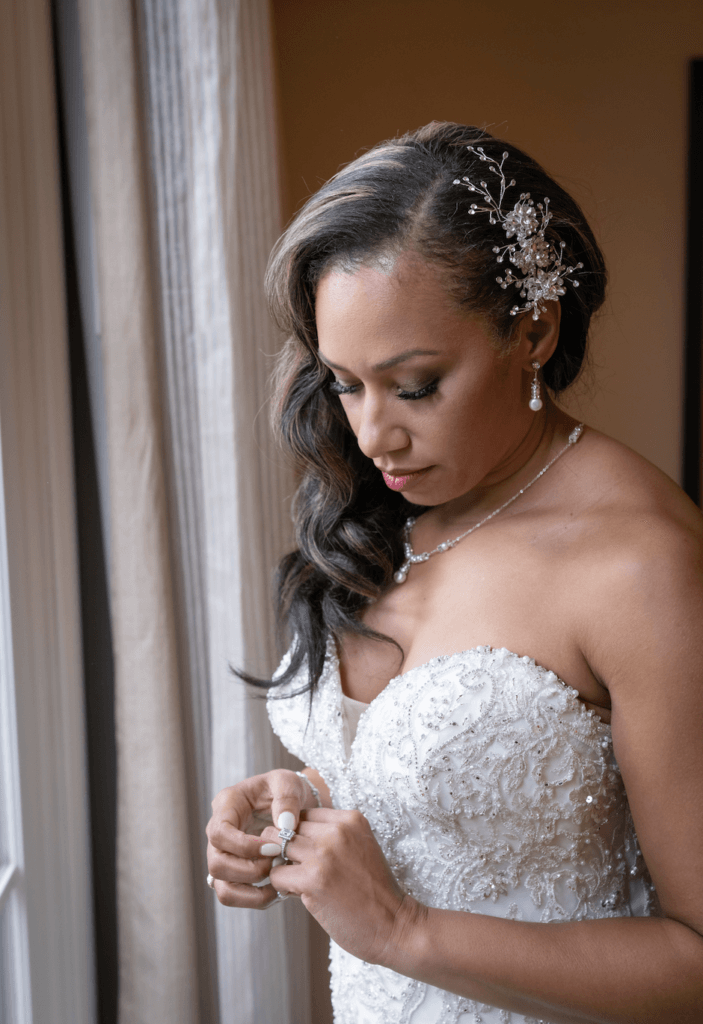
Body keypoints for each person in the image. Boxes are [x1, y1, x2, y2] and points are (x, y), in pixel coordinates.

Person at [205, 122, 703, 1023]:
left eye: (416, 384)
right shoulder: (389, 501)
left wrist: (401, 930)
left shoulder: (640, 568)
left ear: (534, 330)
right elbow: (423, 787)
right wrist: (302, 803)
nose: (370, 435)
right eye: (345, 383)